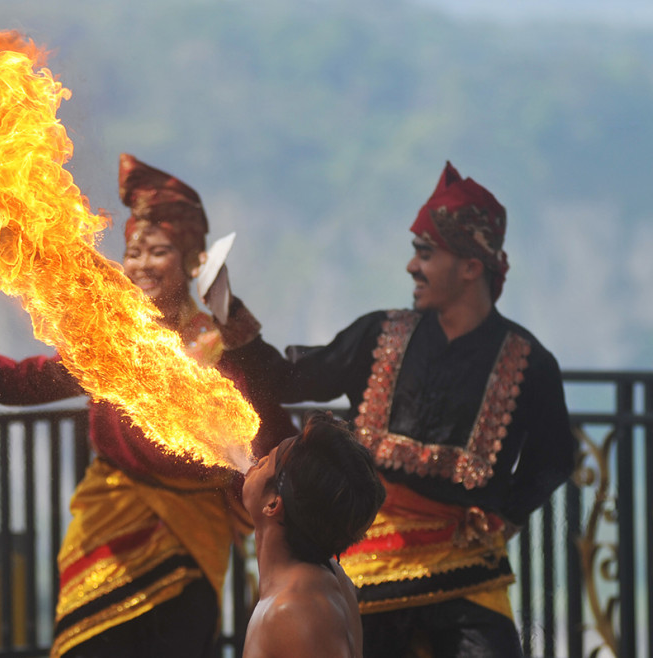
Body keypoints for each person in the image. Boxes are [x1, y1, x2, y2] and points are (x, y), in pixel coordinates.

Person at [0, 153, 295, 658]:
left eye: (157, 251)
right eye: (132, 252)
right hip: (107, 524)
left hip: (190, 534)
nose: (139, 264)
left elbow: (268, 425)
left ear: (191, 261)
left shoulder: (218, 342)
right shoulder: (110, 336)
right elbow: (20, 383)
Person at [219, 162, 577, 657]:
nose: (412, 267)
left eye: (426, 254)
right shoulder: (378, 334)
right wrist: (227, 315)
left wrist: (504, 515)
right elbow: (290, 380)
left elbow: (556, 457)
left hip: (466, 569)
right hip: (369, 566)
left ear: (472, 266)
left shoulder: (531, 362)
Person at [241, 410, 385, 658]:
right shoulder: (328, 574)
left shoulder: (295, 610)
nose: (257, 461)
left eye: (267, 460)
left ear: (273, 504)